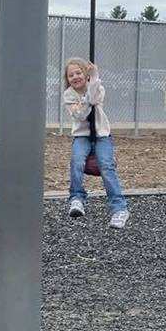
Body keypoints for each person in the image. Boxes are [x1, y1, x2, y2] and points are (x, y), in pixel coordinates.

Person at [62, 57, 129, 229]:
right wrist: (85, 101)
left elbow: (92, 99)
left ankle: (119, 209)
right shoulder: (69, 95)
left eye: (79, 73)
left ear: (87, 75)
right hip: (82, 136)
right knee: (77, 161)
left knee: (106, 166)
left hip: (101, 135)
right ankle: (77, 199)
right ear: (67, 79)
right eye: (71, 75)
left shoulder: (98, 87)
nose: (75, 77)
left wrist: (95, 78)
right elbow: (81, 115)